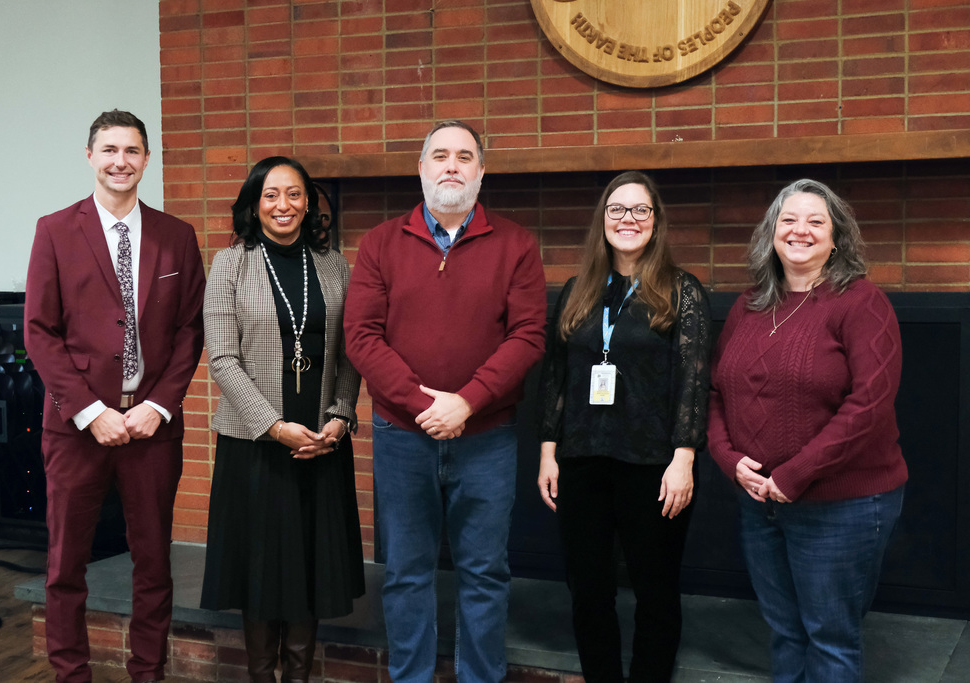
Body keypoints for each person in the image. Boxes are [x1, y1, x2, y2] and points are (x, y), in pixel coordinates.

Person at [344, 120, 547, 683]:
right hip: (401, 437)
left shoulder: (516, 244)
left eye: (464, 156)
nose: (451, 165)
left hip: (487, 439)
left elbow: (528, 335)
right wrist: (421, 404)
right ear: (422, 169)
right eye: (440, 155)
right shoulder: (381, 243)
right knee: (407, 572)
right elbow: (362, 336)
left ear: (481, 172)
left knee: (484, 573)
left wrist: (467, 402)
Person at [25, 109, 206, 683]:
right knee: (65, 566)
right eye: (109, 150)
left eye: (131, 151)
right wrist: (90, 410)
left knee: (153, 563)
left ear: (146, 159)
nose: (120, 161)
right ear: (89, 157)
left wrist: (157, 407)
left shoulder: (176, 236)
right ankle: (71, 675)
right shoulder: (54, 230)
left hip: (152, 428)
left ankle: (147, 673)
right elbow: (39, 332)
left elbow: (189, 331)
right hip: (77, 428)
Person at [707, 179, 907, 682]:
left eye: (816, 221)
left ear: (837, 237)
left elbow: (869, 406)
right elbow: (715, 393)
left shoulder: (861, 303)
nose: (800, 230)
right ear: (771, 233)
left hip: (841, 505)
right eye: (788, 220)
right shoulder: (749, 305)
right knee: (785, 630)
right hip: (760, 503)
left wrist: (793, 476)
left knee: (830, 638)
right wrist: (729, 460)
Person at [537, 171, 712, 682]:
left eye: (640, 210)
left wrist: (685, 459)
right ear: (603, 221)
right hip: (583, 461)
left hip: (653, 466)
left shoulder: (683, 292)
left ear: (656, 223)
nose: (628, 219)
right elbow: (556, 377)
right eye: (617, 210)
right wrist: (549, 452)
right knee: (589, 592)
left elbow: (694, 384)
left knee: (655, 593)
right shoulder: (577, 289)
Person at [200, 156, 364, 683]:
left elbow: (350, 354)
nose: (283, 205)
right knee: (261, 571)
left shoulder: (335, 265)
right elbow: (222, 358)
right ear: (254, 203)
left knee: (309, 571)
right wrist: (273, 425)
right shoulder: (231, 264)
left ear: (310, 203)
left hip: (319, 442)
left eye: (294, 194)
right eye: (271, 195)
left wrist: (339, 418)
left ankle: (298, 676)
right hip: (255, 446)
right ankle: (260, 675)